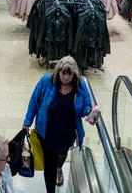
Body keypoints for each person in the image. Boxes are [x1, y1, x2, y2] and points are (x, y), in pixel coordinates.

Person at [22, 56, 92, 192]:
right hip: (47, 133)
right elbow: (34, 101)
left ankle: (59, 167)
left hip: (68, 134)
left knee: (62, 154)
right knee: (49, 165)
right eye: (63, 73)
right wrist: (27, 122)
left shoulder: (80, 86)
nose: (65, 77)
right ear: (58, 72)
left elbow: (86, 105)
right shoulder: (46, 82)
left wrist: (89, 113)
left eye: (69, 74)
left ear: (74, 74)